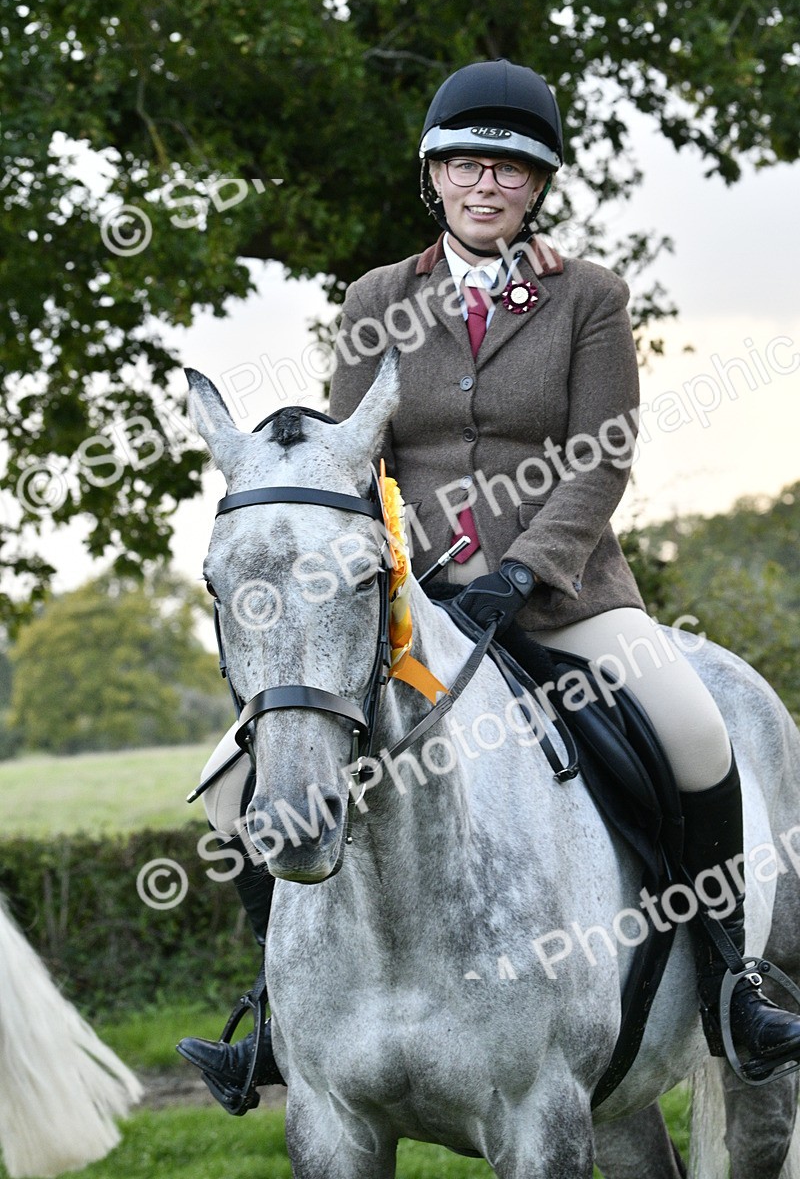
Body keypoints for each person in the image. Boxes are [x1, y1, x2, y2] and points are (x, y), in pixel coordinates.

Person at [178, 57, 800, 1112]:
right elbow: (346, 461)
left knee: (697, 736)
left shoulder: (586, 298)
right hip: (413, 608)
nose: (485, 184)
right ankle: (281, 1017)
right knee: (239, 777)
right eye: (466, 164)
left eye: (508, 169)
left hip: (564, 597)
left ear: (536, 186)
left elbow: (600, 456)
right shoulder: (375, 299)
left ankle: (731, 988)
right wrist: (401, 578)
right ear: (434, 177)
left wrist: (519, 572)